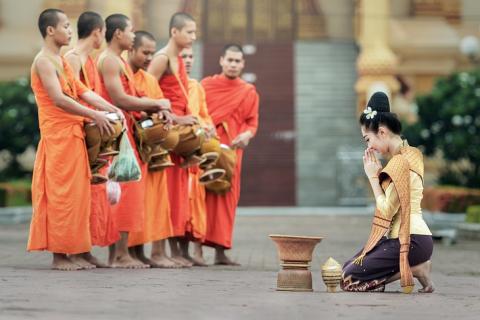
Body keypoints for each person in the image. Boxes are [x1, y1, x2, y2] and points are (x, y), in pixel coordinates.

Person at [27, 9, 116, 270]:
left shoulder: (61, 60)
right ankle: (59, 256)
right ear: (50, 30)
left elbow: (82, 91)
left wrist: (111, 110)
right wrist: (94, 115)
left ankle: (76, 251)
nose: (70, 30)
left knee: (78, 197)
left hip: (73, 136)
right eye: (65, 25)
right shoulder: (43, 60)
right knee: (61, 196)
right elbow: (58, 98)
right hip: (57, 139)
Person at [97, 14, 171, 268]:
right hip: (117, 134)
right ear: (118, 33)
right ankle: (119, 255)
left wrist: (154, 110)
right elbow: (120, 99)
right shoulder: (109, 60)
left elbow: (133, 97)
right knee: (122, 191)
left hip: (125, 132)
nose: (132, 35)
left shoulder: (118, 62)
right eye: (130, 31)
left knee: (124, 193)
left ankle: (120, 253)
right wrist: (156, 103)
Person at [341, 92, 434, 293]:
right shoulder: (411, 154)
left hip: (411, 240)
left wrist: (373, 177)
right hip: (411, 238)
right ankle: (414, 267)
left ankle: (415, 268)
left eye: (368, 139)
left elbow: (387, 209)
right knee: (347, 268)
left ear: (382, 132)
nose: (369, 147)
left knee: (349, 279)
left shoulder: (401, 162)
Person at [64, 11, 120, 268]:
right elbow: (72, 98)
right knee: (76, 196)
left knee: (93, 196)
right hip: (76, 133)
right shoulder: (72, 59)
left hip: (91, 131)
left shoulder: (89, 60)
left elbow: (89, 94)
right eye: (103, 31)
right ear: (98, 31)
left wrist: (110, 111)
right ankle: (72, 251)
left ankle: (85, 249)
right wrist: (96, 116)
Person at [200, 44, 259, 265]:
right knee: (203, 195)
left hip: (233, 151)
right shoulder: (206, 85)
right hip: (209, 148)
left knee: (227, 199)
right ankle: (196, 249)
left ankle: (220, 251)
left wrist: (247, 135)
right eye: (230, 60)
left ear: (243, 64)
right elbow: (197, 113)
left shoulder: (248, 91)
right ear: (221, 60)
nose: (233, 65)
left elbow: (252, 122)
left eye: (237, 61)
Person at [147, 12, 198, 267]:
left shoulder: (177, 59)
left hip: (179, 138)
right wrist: (176, 120)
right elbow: (146, 94)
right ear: (174, 32)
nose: (194, 37)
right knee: (162, 195)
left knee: (175, 197)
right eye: (189, 31)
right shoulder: (161, 59)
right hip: (165, 135)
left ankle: (166, 251)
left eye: (195, 32)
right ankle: (156, 252)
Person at [126, 31, 178, 268]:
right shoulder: (123, 74)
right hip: (131, 146)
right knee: (133, 200)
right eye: (145, 52)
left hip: (152, 149)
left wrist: (165, 114)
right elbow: (123, 102)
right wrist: (151, 109)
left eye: (151, 52)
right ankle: (131, 252)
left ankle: (148, 252)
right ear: (131, 49)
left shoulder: (148, 79)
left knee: (155, 202)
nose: (149, 57)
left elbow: (159, 103)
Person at [180, 47, 216, 266]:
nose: (188, 60)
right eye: (183, 57)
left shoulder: (196, 86)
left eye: (191, 57)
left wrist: (208, 126)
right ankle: (180, 251)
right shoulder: (170, 84)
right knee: (181, 202)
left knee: (198, 203)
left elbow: (204, 114)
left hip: (197, 152)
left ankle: (198, 251)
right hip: (180, 151)